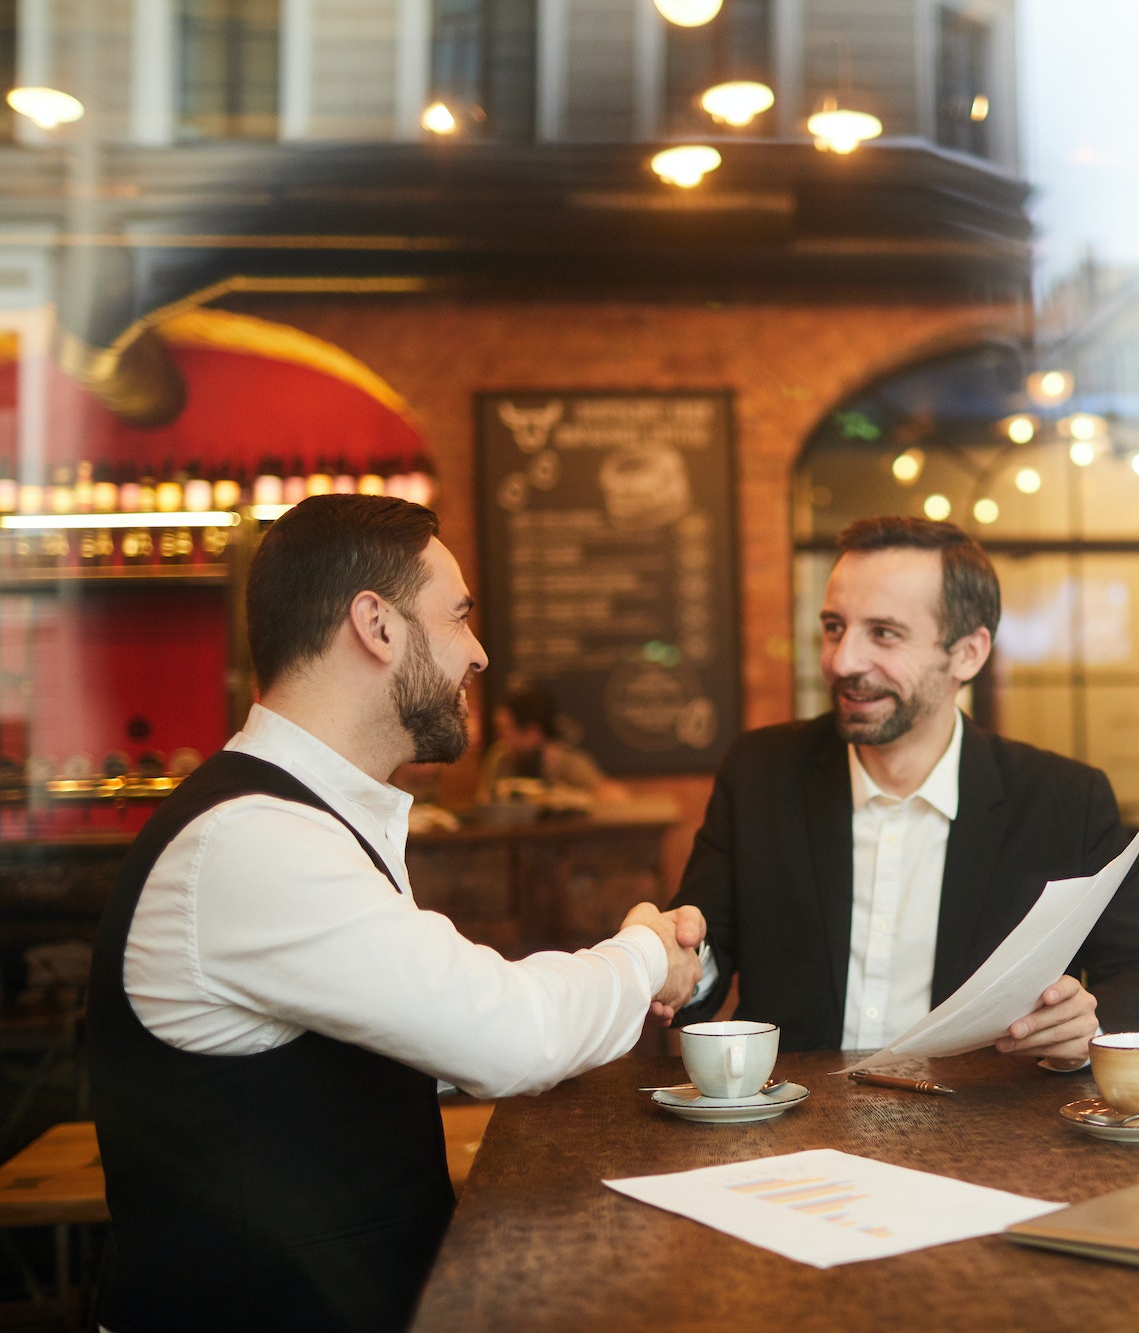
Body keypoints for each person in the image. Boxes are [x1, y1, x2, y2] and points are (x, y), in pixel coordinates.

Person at [87, 495, 703, 1333]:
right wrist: (645, 954)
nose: (479, 654)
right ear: (375, 624)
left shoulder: (297, 819)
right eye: (458, 617)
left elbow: (366, 1050)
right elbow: (503, 1032)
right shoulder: (250, 841)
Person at [670, 516, 1139, 1061]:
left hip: (980, 1133)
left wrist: (1090, 1025)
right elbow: (704, 957)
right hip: (796, 1123)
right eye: (834, 627)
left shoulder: (1064, 800)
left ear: (967, 653)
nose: (843, 661)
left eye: (884, 633)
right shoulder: (761, 773)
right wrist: (676, 965)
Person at [474, 679, 626, 804]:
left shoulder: (572, 764)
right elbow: (483, 802)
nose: (500, 739)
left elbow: (616, 796)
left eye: (506, 730)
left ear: (533, 733)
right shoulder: (499, 760)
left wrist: (568, 797)